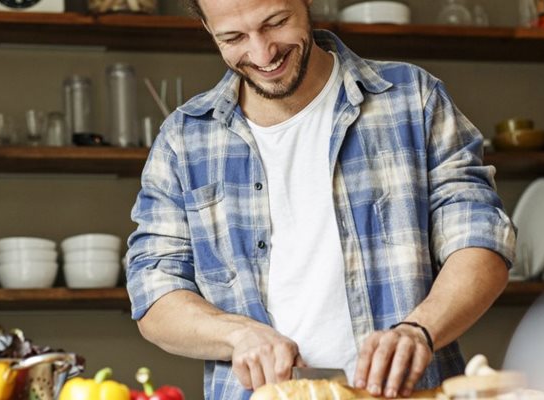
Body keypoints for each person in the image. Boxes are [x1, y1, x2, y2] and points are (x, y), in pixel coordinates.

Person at [125, 0, 515, 398]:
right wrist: (238, 335)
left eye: (276, 23)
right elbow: (154, 293)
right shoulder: (184, 139)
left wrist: (419, 329)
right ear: (208, 29)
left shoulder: (412, 99)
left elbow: (481, 240)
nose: (262, 53)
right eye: (233, 37)